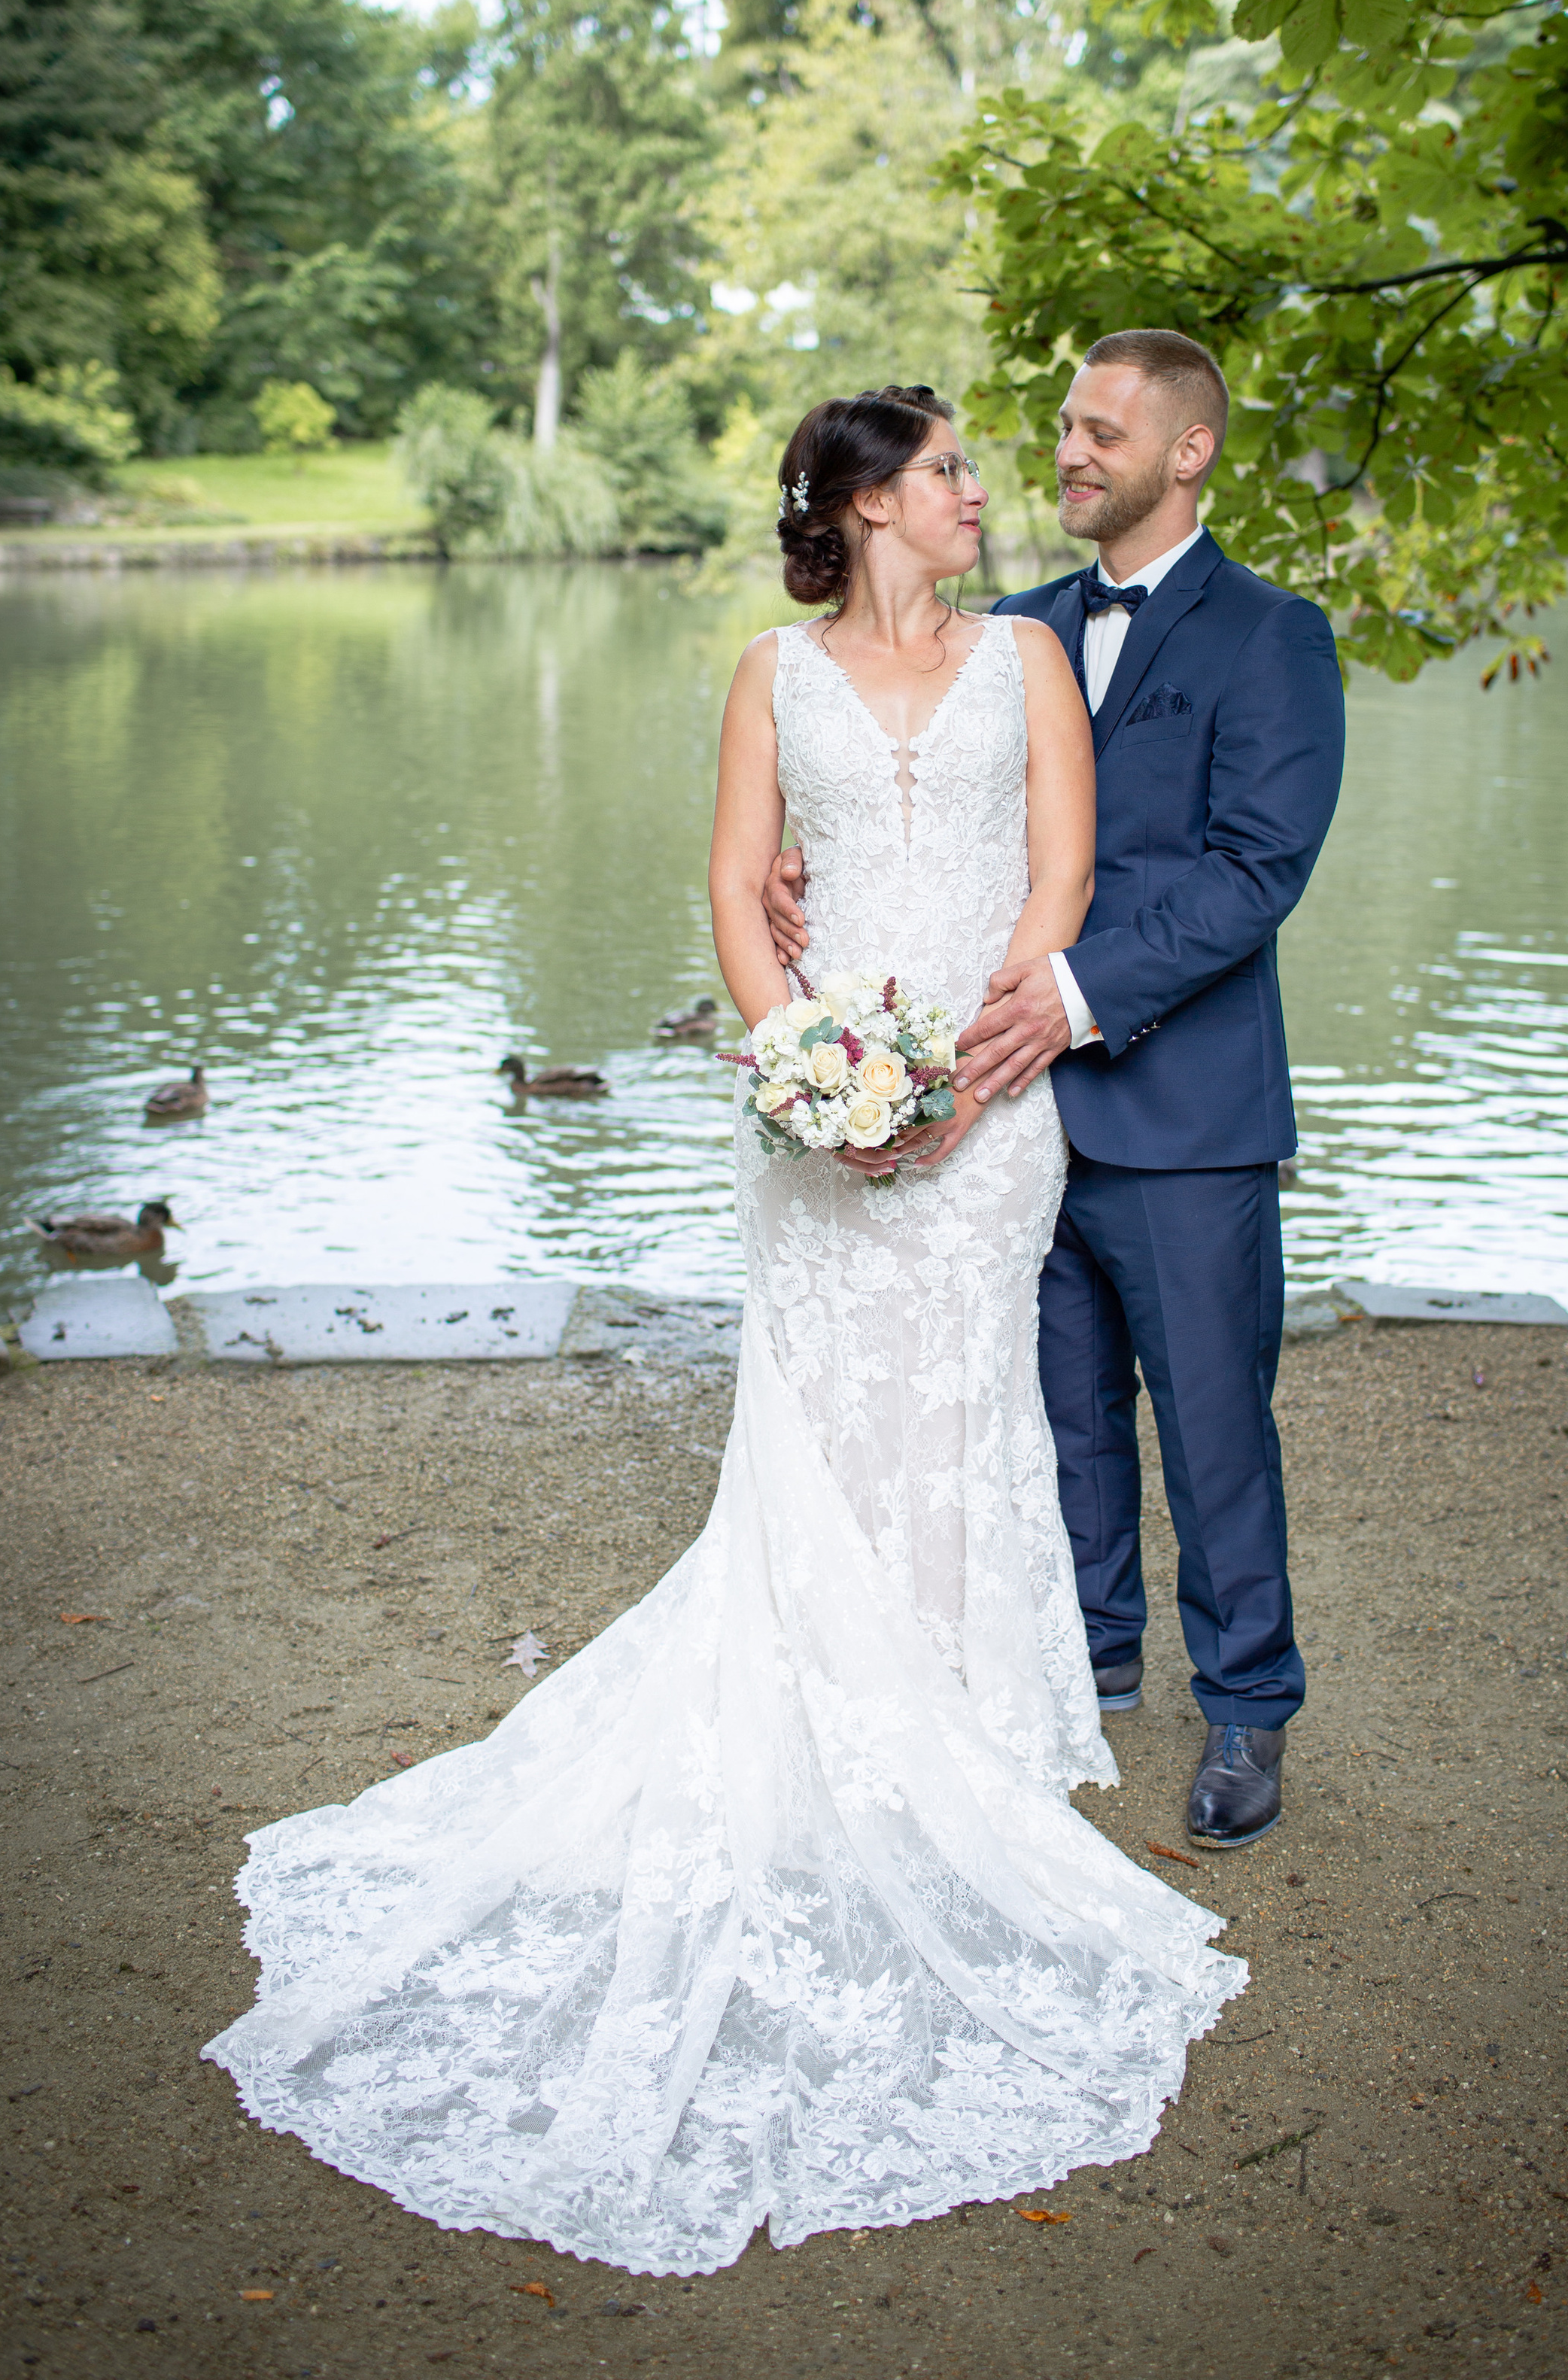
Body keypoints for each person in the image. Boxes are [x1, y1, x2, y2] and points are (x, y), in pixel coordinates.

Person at [202, 382, 1242, 2280]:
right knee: (825, 1420)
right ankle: (828, 1731)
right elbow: (732, 887)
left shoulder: (1031, 660)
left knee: (963, 1412)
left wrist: (977, 1070)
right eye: (946, 472)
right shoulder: (770, 672)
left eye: (973, 471)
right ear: (859, 506)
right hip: (821, 1115)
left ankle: (962, 1730)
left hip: (993, 1106)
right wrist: (806, 1073)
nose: (979, 491)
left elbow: (1061, 879)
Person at [767, 335, 1345, 1850]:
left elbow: (1252, 872)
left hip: (1177, 1106)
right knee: (1056, 1416)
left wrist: (1070, 1001)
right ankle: (1082, 1658)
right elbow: (904, 780)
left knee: (1212, 1422)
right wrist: (791, 863)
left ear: (1188, 452)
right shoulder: (1010, 635)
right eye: (1063, 431)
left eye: (1101, 433)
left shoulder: (1271, 637)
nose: (1068, 456)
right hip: (998, 1121)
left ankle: (1245, 1708)